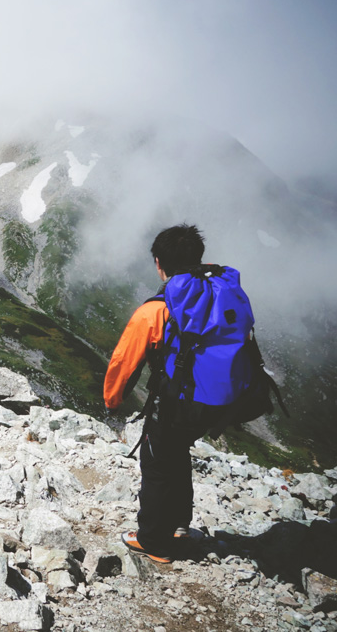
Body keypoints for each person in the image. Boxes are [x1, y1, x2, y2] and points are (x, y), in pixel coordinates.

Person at [104, 224, 235, 564]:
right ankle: (178, 526)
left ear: (159, 263)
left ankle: (154, 541)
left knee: (157, 462)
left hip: (176, 403)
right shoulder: (219, 296)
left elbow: (123, 362)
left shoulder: (155, 311)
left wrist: (112, 401)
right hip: (213, 403)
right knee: (177, 453)